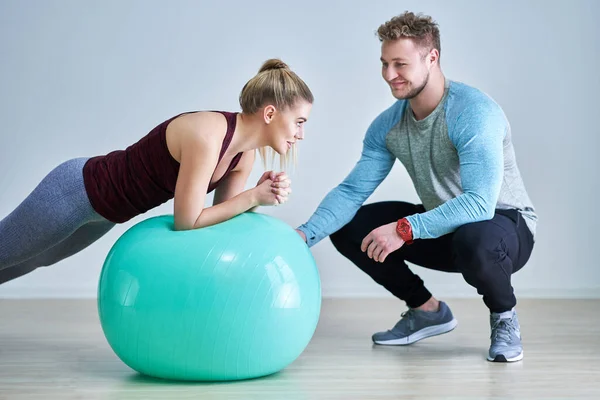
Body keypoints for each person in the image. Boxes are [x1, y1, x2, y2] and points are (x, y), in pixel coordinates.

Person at [296, 12, 536, 363]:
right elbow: (351, 193)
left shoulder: (474, 113)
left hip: (505, 227)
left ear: (432, 58)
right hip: (445, 226)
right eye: (384, 63)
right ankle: (426, 310)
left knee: (476, 237)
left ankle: (503, 317)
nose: (389, 75)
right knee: (350, 226)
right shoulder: (389, 125)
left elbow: (480, 205)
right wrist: (303, 236)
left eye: (400, 64)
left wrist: (405, 228)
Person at [0, 59, 313, 285]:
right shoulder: (207, 135)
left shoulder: (243, 156)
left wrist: (259, 197)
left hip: (106, 214)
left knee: (34, 259)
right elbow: (187, 222)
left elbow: (218, 221)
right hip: (76, 193)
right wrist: (251, 196)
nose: (301, 133)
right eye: (299, 121)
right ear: (270, 113)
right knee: (6, 253)